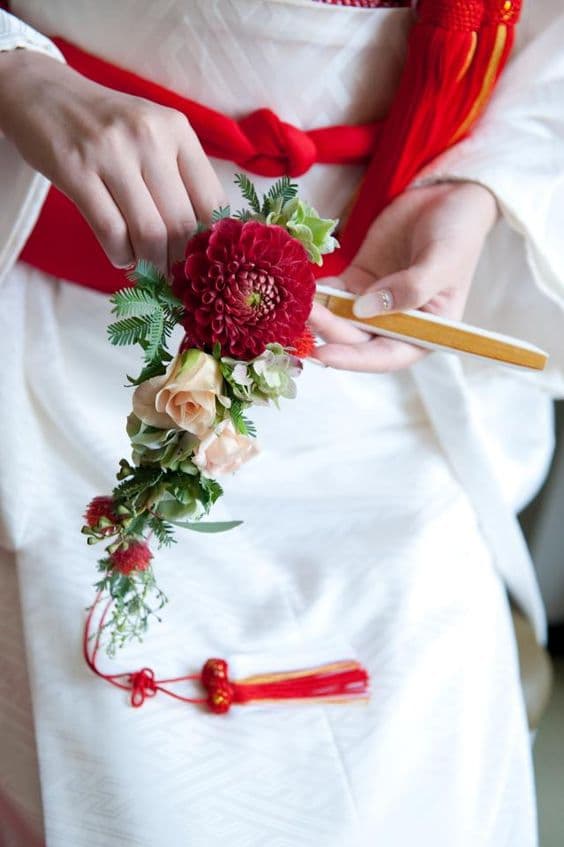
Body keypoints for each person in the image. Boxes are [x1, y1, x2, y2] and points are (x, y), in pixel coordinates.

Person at [0, 1, 563, 845]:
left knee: (426, 757)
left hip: (363, 344)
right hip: (50, 325)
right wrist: (20, 73)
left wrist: (476, 189)